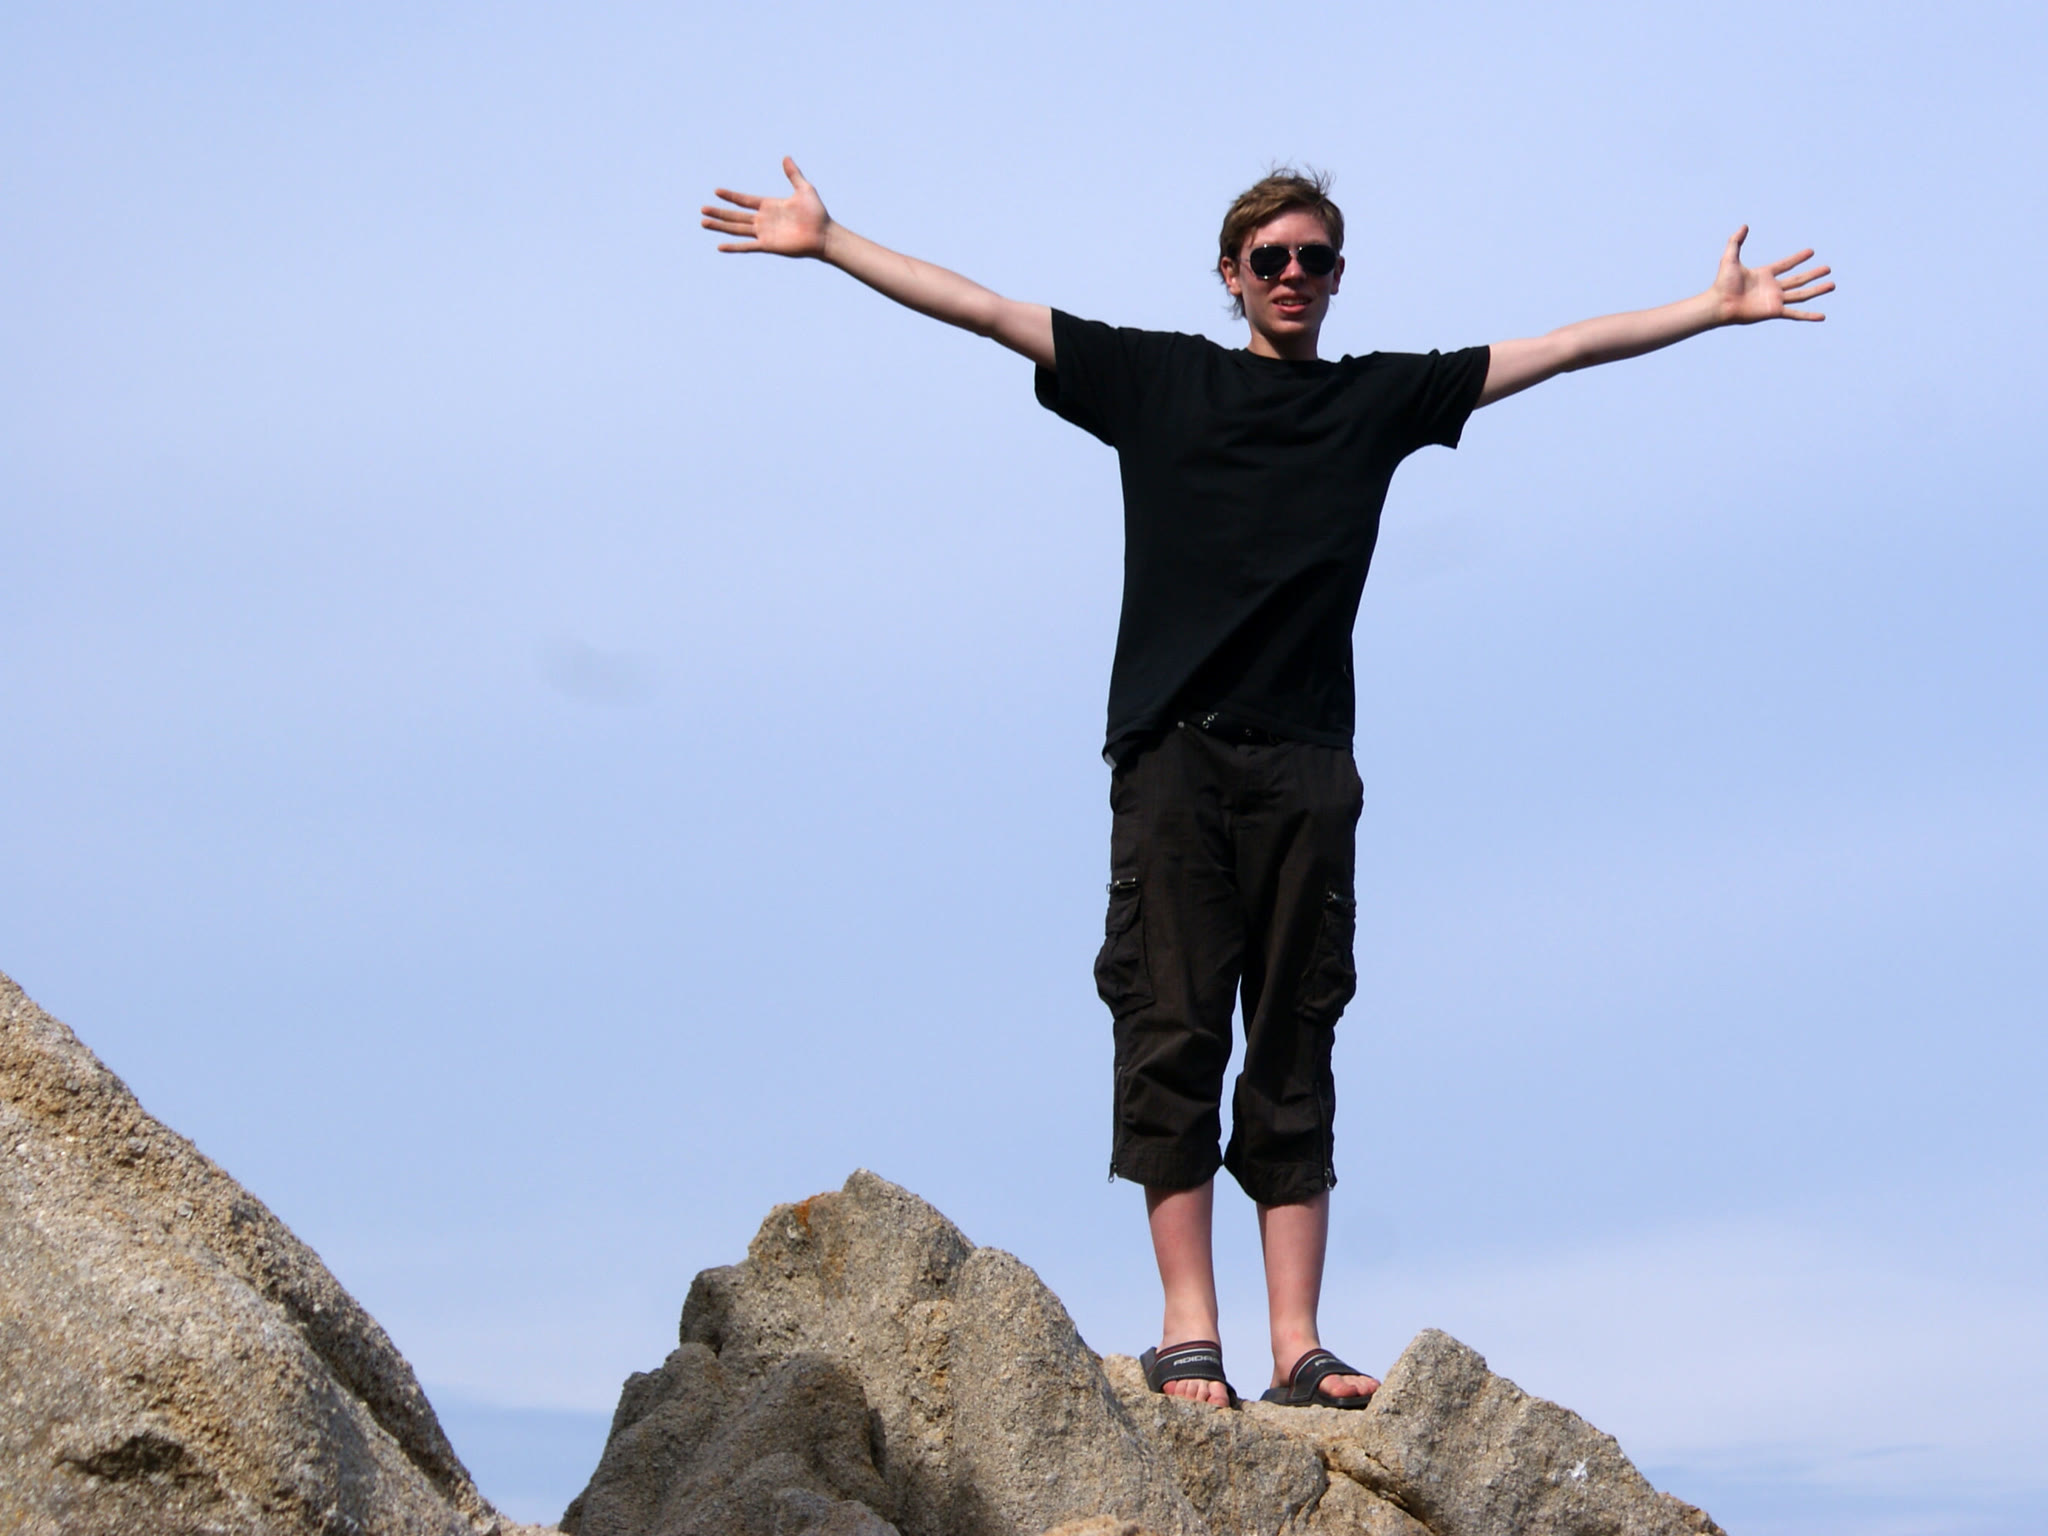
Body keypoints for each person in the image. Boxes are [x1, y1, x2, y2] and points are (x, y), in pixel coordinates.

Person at [701, 159, 1832, 1411]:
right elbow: (982, 309)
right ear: (1231, 274)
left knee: (1295, 1033)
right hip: (1174, 756)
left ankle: (1297, 1345)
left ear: (1338, 276)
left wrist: (1708, 309)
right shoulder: (1156, 380)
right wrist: (830, 240)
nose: (1293, 275)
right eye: (1270, 258)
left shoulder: (1373, 400)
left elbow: (1560, 348)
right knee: (1173, 1025)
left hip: (1306, 763)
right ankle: (1189, 1329)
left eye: (1315, 259)